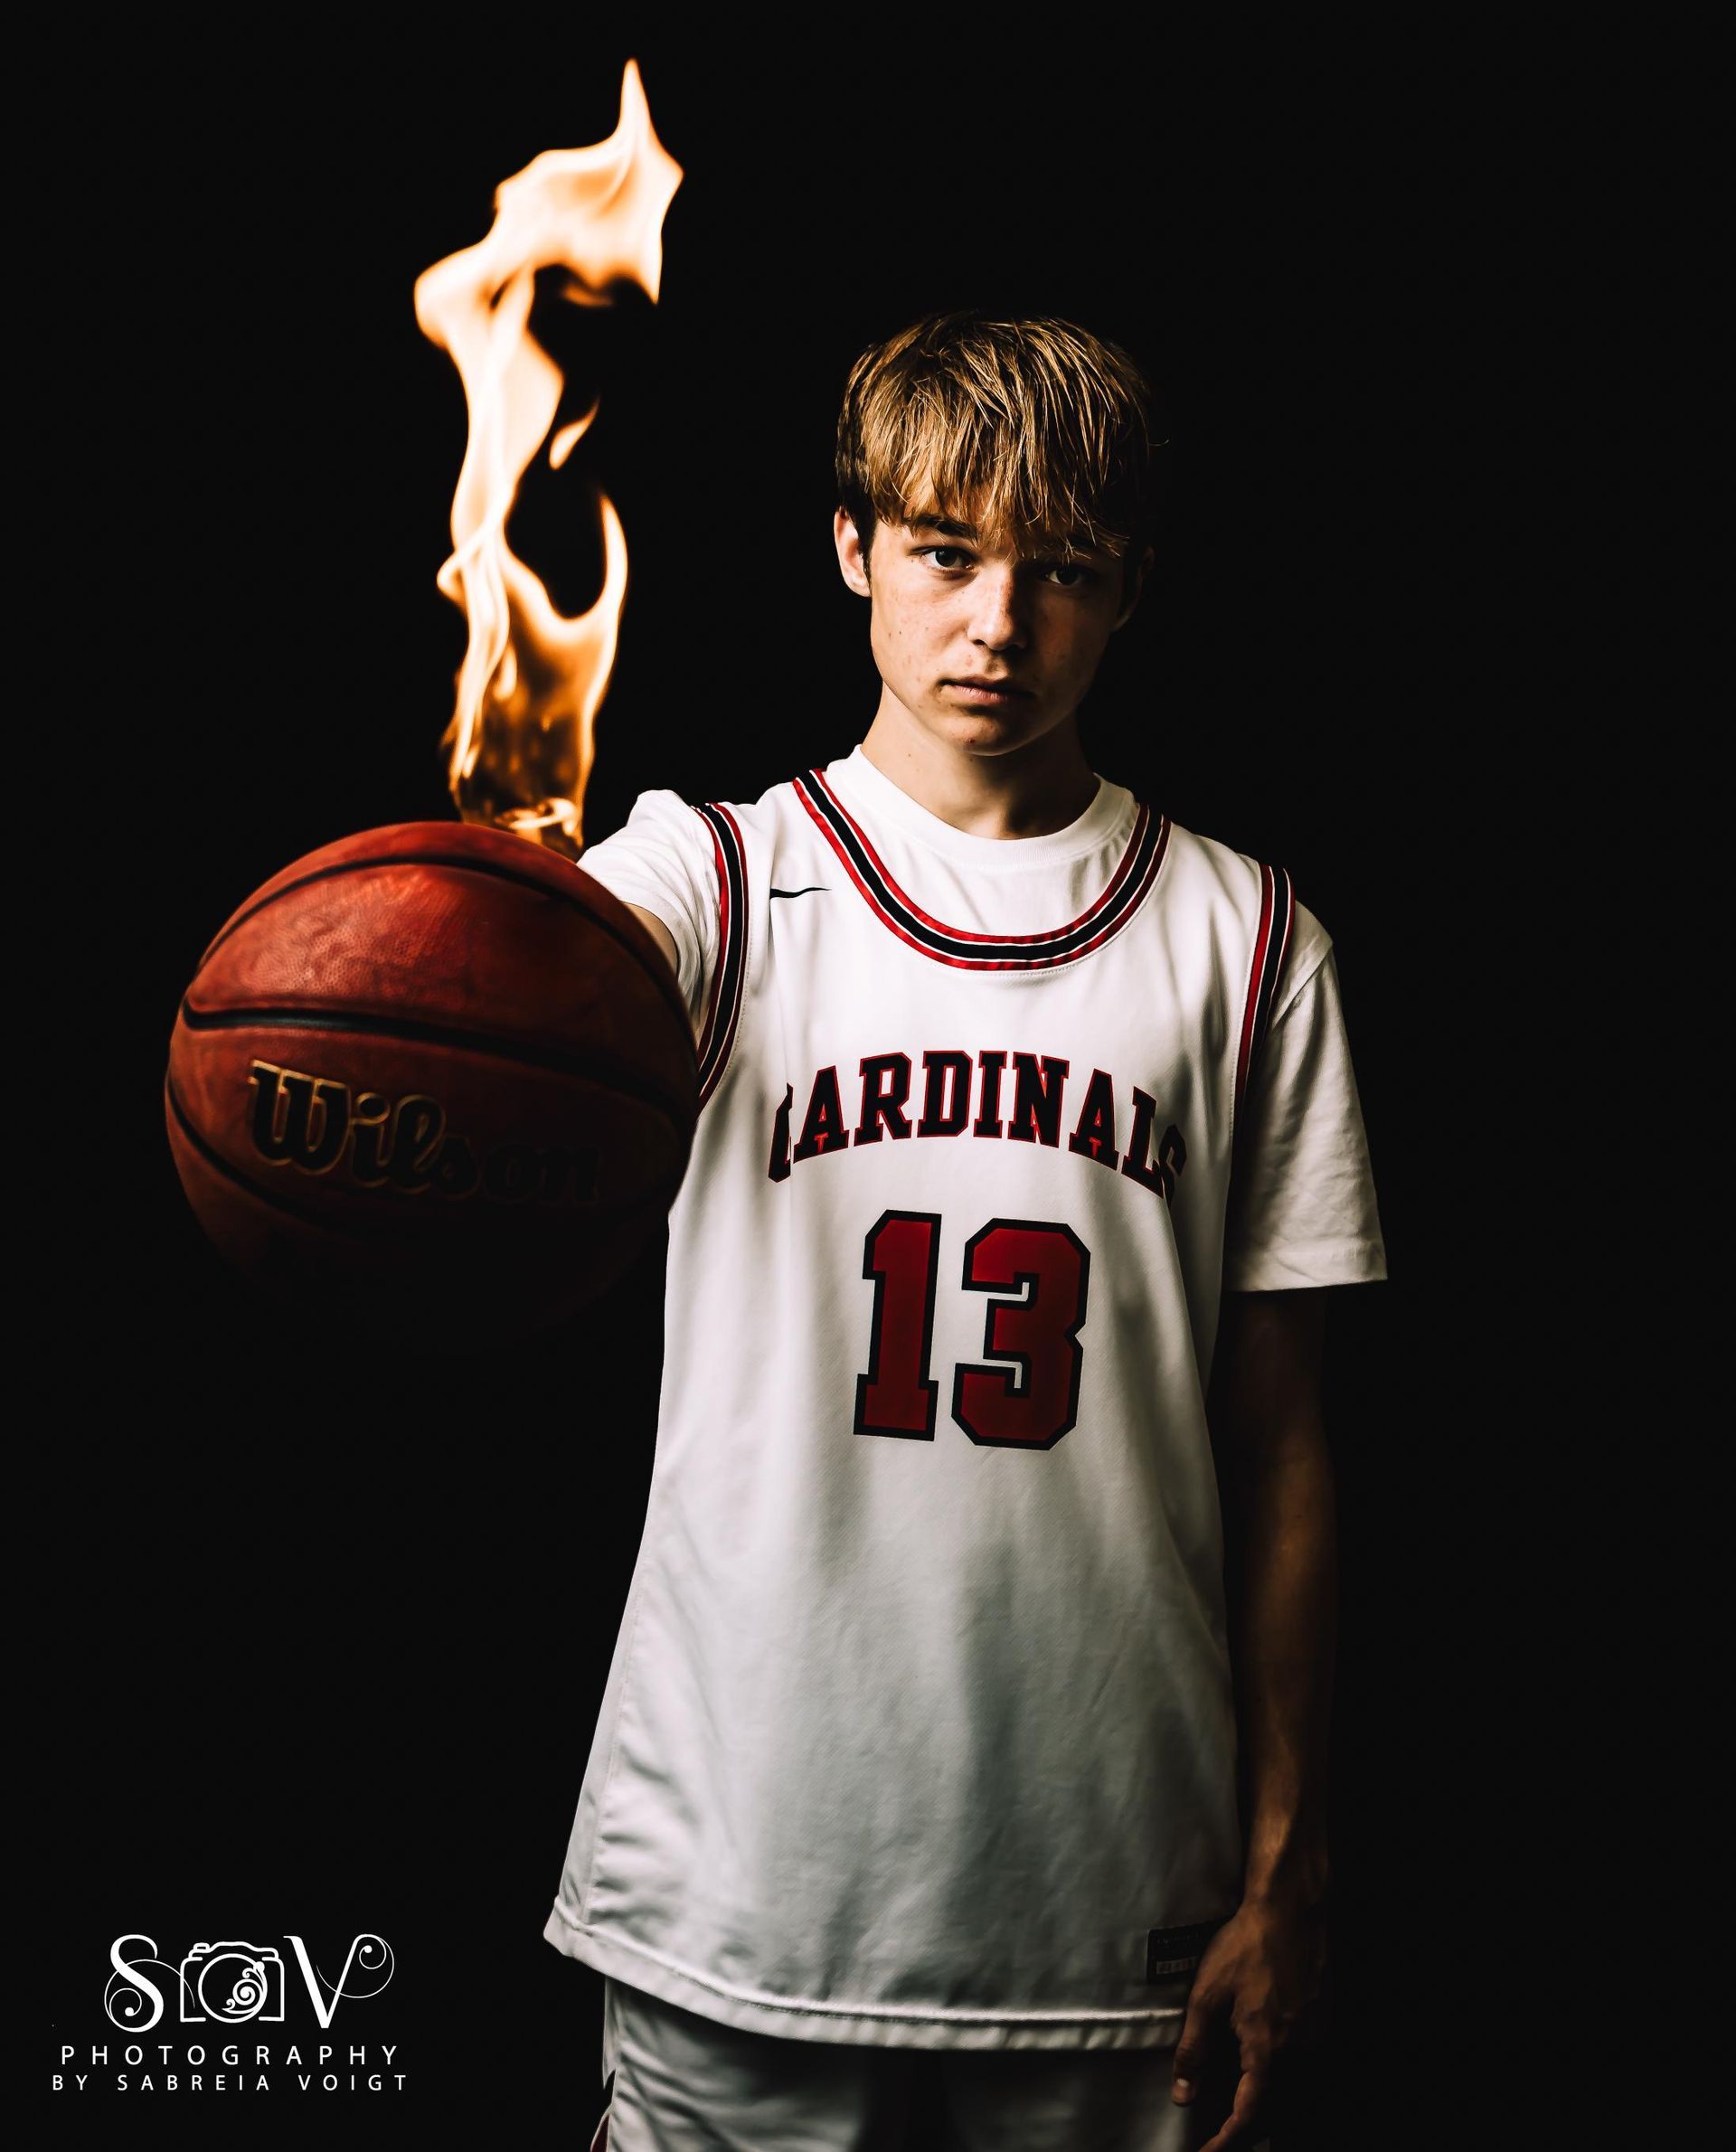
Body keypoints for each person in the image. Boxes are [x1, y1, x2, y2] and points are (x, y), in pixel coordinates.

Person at [542, 309, 1387, 2152]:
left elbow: (1285, 1448)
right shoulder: (711, 880)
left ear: (1131, 586)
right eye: (945, 553)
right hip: (744, 1875)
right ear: (852, 548)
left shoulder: (1249, 944)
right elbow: (512, 999)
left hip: (1116, 1904)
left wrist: (1284, 1868)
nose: (997, 620)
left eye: (1060, 567)